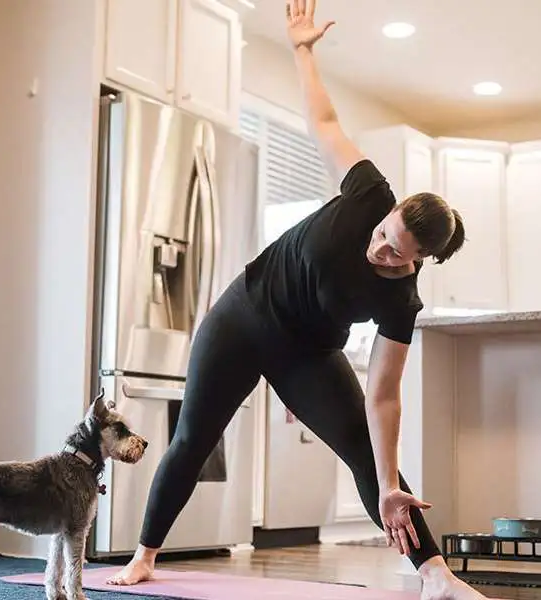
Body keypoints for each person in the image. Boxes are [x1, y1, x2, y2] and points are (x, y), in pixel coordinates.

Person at [106, 2, 486, 599]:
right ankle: (144, 556)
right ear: (388, 210)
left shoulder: (401, 302)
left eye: (397, 253)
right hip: (243, 316)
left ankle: (435, 574)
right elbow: (324, 121)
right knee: (193, 439)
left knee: (364, 453)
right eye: (384, 233)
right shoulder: (367, 190)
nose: (381, 249)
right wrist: (303, 50)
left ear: (420, 261)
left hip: (308, 353)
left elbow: (384, 397)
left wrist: (389, 481)